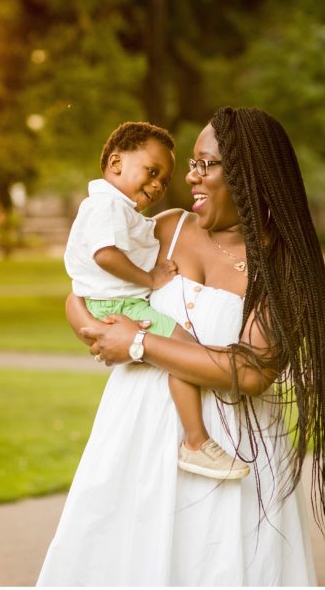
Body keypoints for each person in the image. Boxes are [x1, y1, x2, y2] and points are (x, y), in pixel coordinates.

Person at [37, 107, 325, 586]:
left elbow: (251, 370)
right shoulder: (166, 228)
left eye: (207, 164)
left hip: (228, 454)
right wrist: (90, 328)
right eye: (193, 164)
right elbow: (86, 288)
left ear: (248, 174)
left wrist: (138, 342)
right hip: (134, 441)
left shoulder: (283, 268)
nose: (191, 177)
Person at [64, 121, 249, 480]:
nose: (159, 185)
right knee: (185, 351)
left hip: (118, 308)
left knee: (180, 351)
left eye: (164, 180)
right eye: (152, 172)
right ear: (116, 163)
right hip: (122, 315)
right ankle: (196, 442)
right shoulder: (108, 209)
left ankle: (195, 440)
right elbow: (102, 258)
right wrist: (146, 283)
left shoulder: (128, 218)